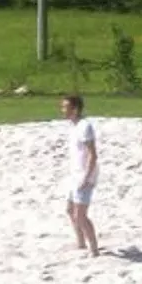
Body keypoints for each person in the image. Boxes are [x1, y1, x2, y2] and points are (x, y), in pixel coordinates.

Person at [61, 94, 100, 257]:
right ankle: (80, 242)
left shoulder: (85, 126)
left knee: (80, 214)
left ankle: (94, 249)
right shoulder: (73, 125)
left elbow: (93, 154)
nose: (62, 110)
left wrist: (86, 177)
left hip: (84, 175)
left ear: (75, 109)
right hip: (74, 174)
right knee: (70, 210)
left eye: (65, 107)